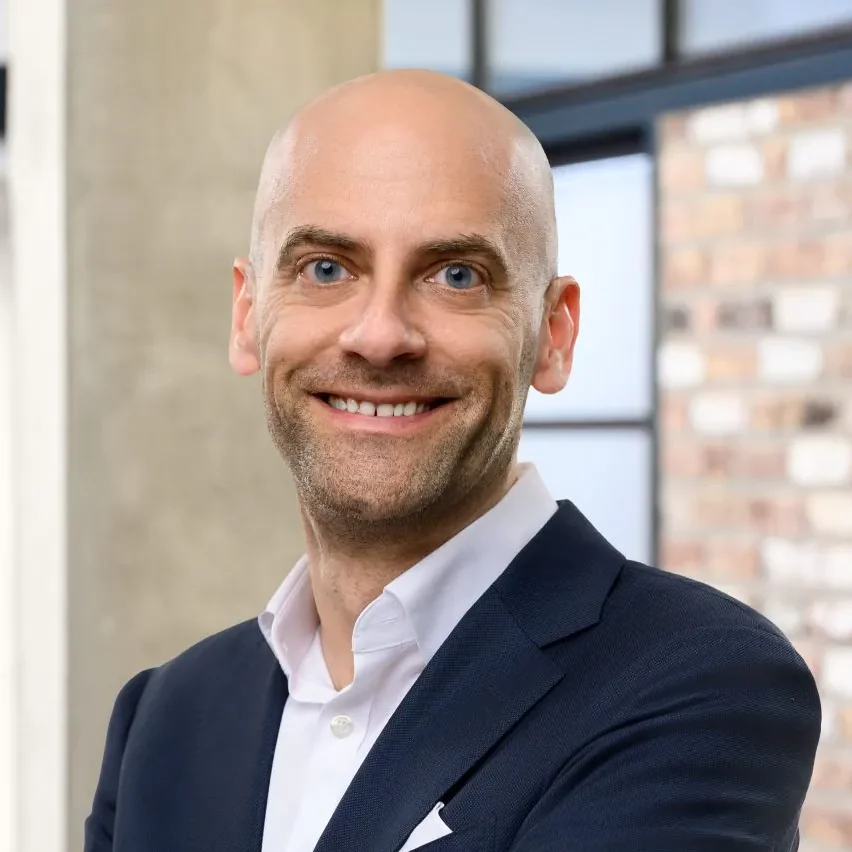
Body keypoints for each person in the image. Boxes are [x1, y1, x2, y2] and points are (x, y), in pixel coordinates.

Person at [84, 69, 820, 852]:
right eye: (326, 268)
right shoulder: (164, 719)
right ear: (247, 315)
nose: (379, 336)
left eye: (456, 276)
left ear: (554, 334)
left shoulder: (700, 687)